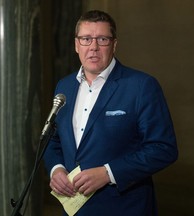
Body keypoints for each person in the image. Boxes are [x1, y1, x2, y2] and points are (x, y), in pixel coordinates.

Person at [43, 10, 178, 216]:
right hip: (73, 209)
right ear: (76, 44)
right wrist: (57, 169)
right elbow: (53, 142)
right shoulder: (65, 86)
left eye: (102, 39)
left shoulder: (141, 86)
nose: (94, 47)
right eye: (86, 39)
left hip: (124, 208)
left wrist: (109, 173)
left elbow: (163, 148)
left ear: (114, 45)